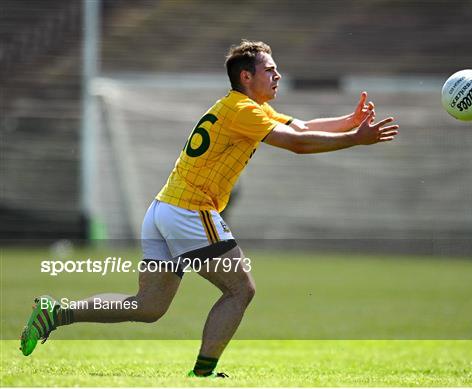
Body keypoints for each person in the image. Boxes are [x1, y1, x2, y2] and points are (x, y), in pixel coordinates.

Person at [20, 40, 398, 378]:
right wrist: (354, 139)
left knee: (148, 306)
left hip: (163, 209)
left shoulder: (245, 108)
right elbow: (297, 143)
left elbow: (302, 127)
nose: (278, 75)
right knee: (240, 290)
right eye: (270, 69)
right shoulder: (243, 111)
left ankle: (56, 312)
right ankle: (203, 374)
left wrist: (349, 122)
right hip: (189, 211)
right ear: (247, 76)